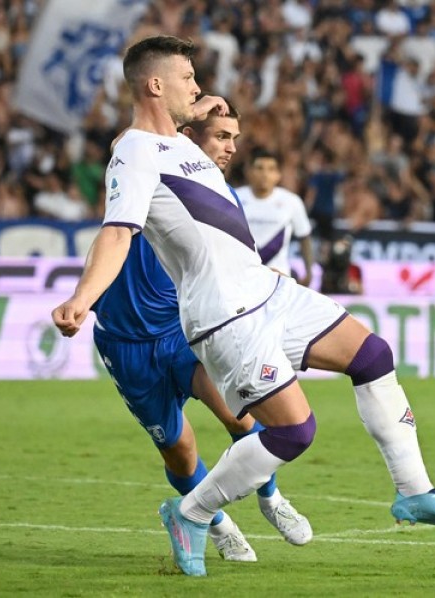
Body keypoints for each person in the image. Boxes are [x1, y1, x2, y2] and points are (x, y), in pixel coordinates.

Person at [52, 35, 435, 578]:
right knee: (293, 432)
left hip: (267, 290)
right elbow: (117, 232)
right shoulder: (134, 152)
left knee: (373, 355)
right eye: (188, 78)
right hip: (223, 314)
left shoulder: (179, 144)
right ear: (156, 86)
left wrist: (196, 112)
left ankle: (415, 491)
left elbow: (168, 126)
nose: (200, 86)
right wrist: (81, 299)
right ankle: (192, 512)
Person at [90, 102, 312, 563]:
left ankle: (271, 497)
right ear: (187, 137)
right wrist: (186, 107)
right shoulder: (143, 163)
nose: (230, 149)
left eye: (234, 140)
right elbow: (124, 141)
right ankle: (215, 522)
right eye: (220, 138)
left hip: (182, 327)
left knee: (241, 419)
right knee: (180, 450)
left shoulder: (226, 196)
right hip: (126, 341)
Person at [234, 148, 314, 285]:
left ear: (278, 175)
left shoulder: (291, 201)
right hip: (241, 275)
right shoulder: (235, 197)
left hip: (279, 276)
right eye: (259, 168)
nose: (265, 174)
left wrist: (309, 271)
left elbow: (304, 237)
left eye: (271, 169)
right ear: (249, 172)